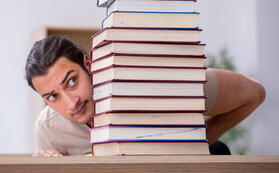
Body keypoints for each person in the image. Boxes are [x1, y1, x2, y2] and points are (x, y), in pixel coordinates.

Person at [25, 36, 265, 156]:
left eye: (72, 81)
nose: (71, 103)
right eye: (52, 96)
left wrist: (199, 140)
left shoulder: (149, 83)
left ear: (88, 64)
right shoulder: (49, 130)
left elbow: (253, 93)